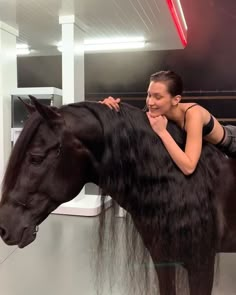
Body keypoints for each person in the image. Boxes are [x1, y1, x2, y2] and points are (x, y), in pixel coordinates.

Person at [100, 70, 236, 175]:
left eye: (158, 97)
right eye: (149, 95)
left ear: (176, 100)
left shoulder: (193, 113)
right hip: (212, 152)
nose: (150, 102)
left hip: (232, 143)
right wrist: (110, 107)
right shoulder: (156, 110)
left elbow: (188, 167)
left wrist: (162, 131)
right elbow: (134, 119)